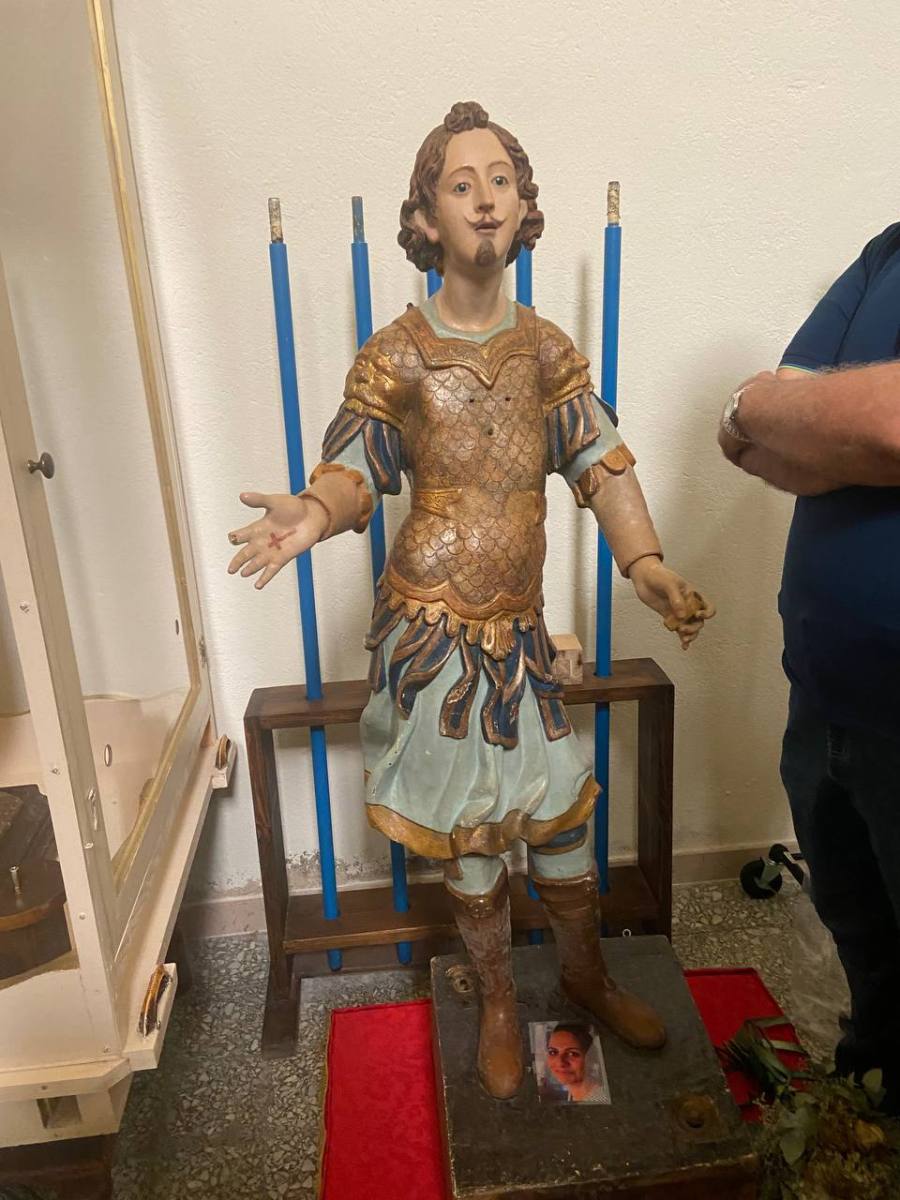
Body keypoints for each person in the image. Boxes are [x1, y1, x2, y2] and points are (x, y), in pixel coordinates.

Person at [229, 101, 714, 1099]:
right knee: (473, 837)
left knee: (563, 814)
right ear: (426, 218)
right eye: (461, 184)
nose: (485, 198)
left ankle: (584, 974)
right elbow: (357, 464)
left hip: (519, 637)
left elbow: (599, 459)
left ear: (525, 206)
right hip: (434, 635)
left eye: (501, 180)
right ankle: (496, 997)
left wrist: (645, 564)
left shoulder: (546, 350)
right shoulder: (398, 354)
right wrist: (314, 512)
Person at [717, 219, 900, 1115]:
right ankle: (875, 1091)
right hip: (824, 691)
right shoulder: (886, 254)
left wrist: (791, 419)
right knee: (863, 933)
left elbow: (886, 427)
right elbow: (751, 429)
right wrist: (794, 421)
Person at [545, 1023, 607, 1103]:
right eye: (553, 1052)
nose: (560, 1062)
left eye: (572, 1054)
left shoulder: (600, 1100)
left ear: (591, 1058)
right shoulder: (574, 1096)